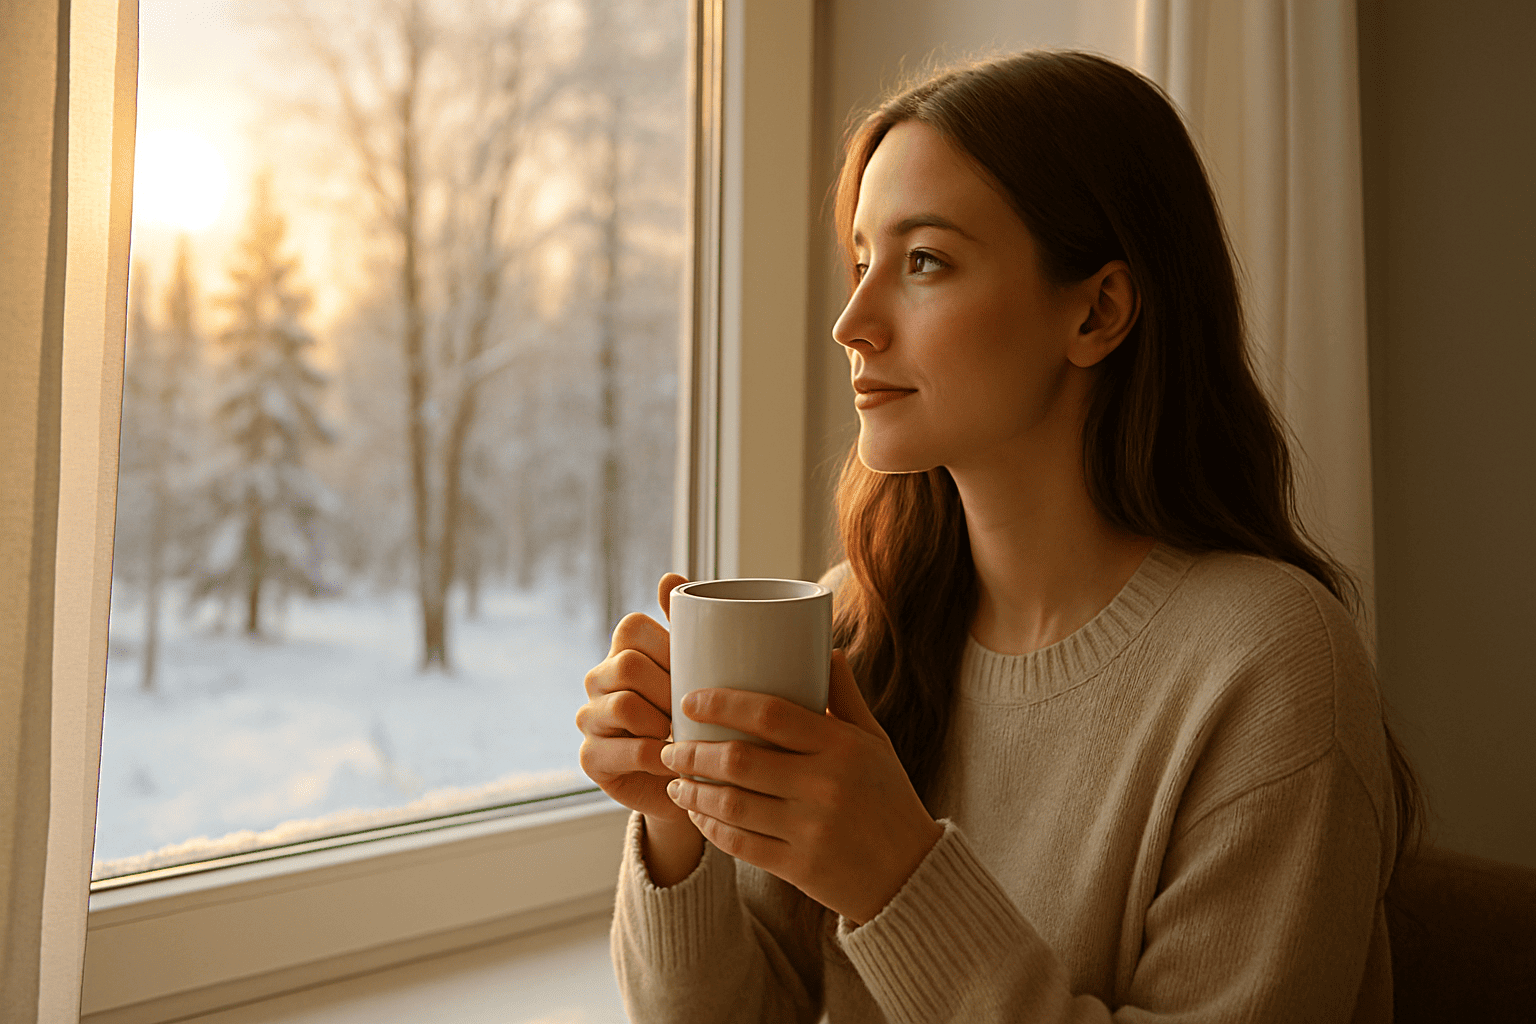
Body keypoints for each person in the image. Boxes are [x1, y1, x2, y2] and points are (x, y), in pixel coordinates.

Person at [576, 49, 1421, 1022]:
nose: (853, 319)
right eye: (861, 264)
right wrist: (672, 818)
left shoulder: (1271, 666)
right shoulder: (857, 621)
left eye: (924, 261)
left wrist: (898, 878)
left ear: (1098, 310)